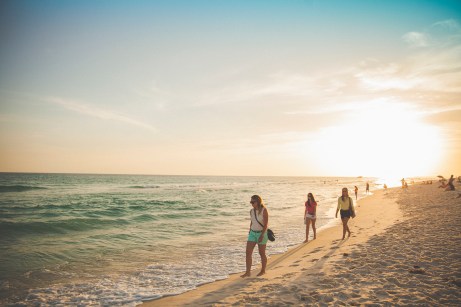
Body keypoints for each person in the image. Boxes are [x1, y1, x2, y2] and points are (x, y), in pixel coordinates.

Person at [241, 195, 269, 278]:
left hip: (262, 233)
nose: (251, 204)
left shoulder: (264, 210)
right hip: (252, 233)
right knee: (248, 252)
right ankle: (248, 272)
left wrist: (262, 235)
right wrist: (250, 231)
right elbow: (252, 221)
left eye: (253, 202)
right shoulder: (251, 211)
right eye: (251, 202)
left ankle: (263, 270)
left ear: (258, 202)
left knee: (261, 253)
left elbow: (265, 224)